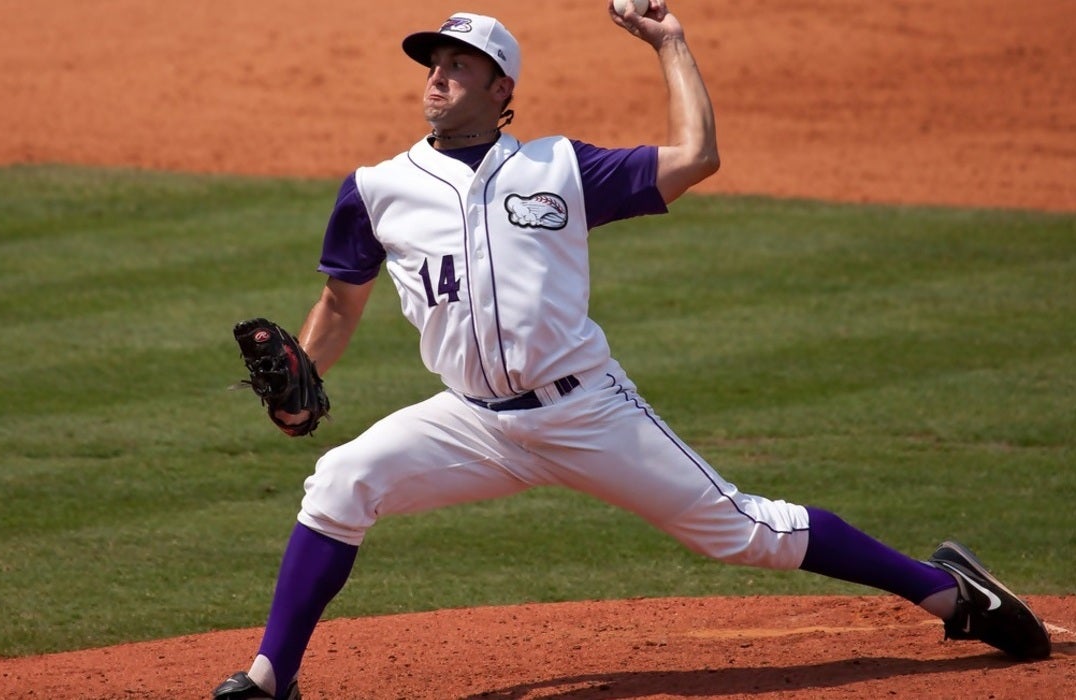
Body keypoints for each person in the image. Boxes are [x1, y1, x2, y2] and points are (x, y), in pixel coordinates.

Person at [212, 3, 1051, 698]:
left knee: (746, 532)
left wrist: (669, 43)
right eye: (434, 63)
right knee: (342, 482)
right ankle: (270, 675)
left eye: (460, 65)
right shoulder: (376, 188)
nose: (437, 76)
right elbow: (339, 304)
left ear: (502, 89)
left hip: (585, 409)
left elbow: (697, 157)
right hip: (470, 423)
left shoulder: (559, 167)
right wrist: (301, 381)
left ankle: (951, 594)